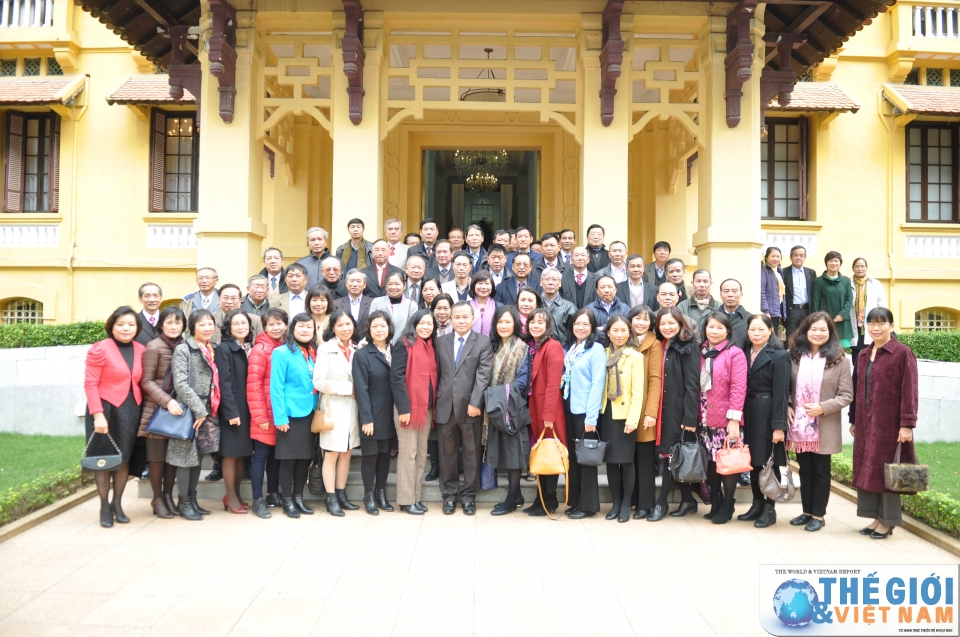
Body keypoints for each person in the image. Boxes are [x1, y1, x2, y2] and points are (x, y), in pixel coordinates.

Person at [850, 308, 917, 539]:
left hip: (889, 423)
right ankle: (876, 516)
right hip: (865, 422)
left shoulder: (902, 353)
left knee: (888, 471)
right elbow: (857, 388)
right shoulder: (862, 354)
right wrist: (853, 419)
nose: (876, 328)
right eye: (871, 324)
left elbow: (910, 390)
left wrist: (907, 424)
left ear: (892, 326)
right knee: (867, 468)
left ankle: (888, 521)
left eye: (881, 323)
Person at [787, 312, 854, 532]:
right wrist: (788, 406)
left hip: (824, 424)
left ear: (830, 333)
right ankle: (806, 512)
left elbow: (846, 395)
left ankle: (819, 515)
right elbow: (786, 387)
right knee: (804, 470)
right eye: (813, 329)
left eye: (823, 329)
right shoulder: (793, 356)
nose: (818, 333)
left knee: (821, 472)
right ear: (805, 331)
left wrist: (822, 408)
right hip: (799, 425)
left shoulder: (840, 360)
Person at [84, 307, 145, 527]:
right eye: (120, 324)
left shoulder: (141, 349)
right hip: (105, 408)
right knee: (104, 459)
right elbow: (90, 383)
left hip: (131, 409)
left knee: (123, 459)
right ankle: (103, 505)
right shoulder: (100, 348)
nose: (126, 328)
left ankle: (117, 503)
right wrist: (98, 415)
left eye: (130, 324)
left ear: (137, 328)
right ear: (112, 326)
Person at [435, 301, 494, 515]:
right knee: (447, 454)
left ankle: (468, 496)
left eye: (465, 317)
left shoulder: (483, 343)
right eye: (457, 317)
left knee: (471, 454)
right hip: (444, 407)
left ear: (473, 318)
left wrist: (476, 403)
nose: (461, 321)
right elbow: (437, 374)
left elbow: (484, 375)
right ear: (451, 318)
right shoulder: (441, 342)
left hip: (471, 408)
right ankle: (449, 495)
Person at [738, 313, 791, 528]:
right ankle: (757, 503)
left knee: (770, 461)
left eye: (761, 329)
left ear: (770, 330)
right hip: (748, 410)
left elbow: (782, 393)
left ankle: (770, 508)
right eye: (752, 329)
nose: (756, 333)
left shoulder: (780, 355)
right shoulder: (743, 352)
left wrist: (779, 426)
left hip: (768, 411)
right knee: (753, 461)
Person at [648, 306, 700, 522]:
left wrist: (690, 418)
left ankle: (661, 503)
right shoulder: (660, 344)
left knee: (671, 455)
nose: (667, 327)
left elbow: (692, 385)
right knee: (670, 452)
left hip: (678, 411)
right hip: (662, 408)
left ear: (680, 323)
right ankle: (688, 498)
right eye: (663, 323)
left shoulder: (687, 346)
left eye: (671, 323)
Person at [168, 308, 220, 521]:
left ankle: (193, 499)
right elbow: (180, 383)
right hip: (188, 409)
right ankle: (183, 502)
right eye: (202, 324)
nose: (207, 328)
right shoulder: (184, 349)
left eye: (210, 324)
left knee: (198, 457)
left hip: (207, 410)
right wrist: (199, 409)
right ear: (192, 327)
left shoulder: (211, 348)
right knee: (185, 458)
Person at [698, 312, 748, 524]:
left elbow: (738, 387)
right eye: (711, 327)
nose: (715, 331)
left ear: (728, 330)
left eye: (720, 327)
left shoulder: (734, 354)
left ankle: (728, 503)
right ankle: (716, 502)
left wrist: (734, 420)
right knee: (710, 463)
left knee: (727, 462)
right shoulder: (701, 351)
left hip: (726, 419)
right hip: (703, 416)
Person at [480, 306, 530, 515]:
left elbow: (522, 381)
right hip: (491, 408)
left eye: (508, 322)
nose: (503, 326)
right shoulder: (490, 347)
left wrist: (496, 396)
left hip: (511, 407)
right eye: (500, 322)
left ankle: (511, 498)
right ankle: (517, 495)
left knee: (513, 454)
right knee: (500, 450)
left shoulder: (522, 348)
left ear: (515, 324)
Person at [270, 313, 320, 518]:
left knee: (304, 458)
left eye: (310, 327)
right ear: (292, 329)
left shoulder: (313, 352)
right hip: (290, 414)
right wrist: (280, 417)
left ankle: (299, 497)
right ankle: (287, 500)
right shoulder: (282, 352)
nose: (306, 330)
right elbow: (276, 387)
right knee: (288, 459)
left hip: (311, 412)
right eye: (301, 326)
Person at [139, 305, 186, 519]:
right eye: (169, 322)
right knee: (157, 459)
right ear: (161, 325)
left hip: (178, 413)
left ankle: (168, 496)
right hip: (157, 411)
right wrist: (167, 401)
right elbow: (146, 381)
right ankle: (156, 497)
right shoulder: (153, 347)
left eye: (178, 322)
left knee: (172, 458)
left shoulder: (184, 346)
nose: (174, 326)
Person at [313, 310, 361, 516]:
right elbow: (318, 382)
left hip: (354, 409)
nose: (345, 328)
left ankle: (341, 494)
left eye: (348, 324)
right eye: (340, 325)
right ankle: (330, 496)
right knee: (331, 453)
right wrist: (348, 389)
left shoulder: (358, 349)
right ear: (332, 328)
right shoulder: (325, 349)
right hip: (334, 408)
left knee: (347, 452)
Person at [599, 314, 645, 523]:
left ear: (629, 333)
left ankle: (626, 503)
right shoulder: (602, 353)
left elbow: (638, 392)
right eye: (615, 330)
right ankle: (615, 502)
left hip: (625, 415)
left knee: (626, 461)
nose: (619, 334)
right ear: (608, 333)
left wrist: (633, 420)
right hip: (606, 413)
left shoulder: (635, 356)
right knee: (610, 462)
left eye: (623, 330)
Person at [561, 308, 606, 519]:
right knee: (574, 458)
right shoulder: (573, 348)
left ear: (592, 328)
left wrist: (591, 417)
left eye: (585, 324)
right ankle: (575, 500)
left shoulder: (596, 349)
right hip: (570, 408)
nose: (580, 327)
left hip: (585, 412)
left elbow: (598, 383)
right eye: (577, 323)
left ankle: (588, 505)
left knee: (586, 459)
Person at [391, 309, 437, 515]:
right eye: (422, 323)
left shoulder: (430, 346)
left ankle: (415, 497)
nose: (426, 327)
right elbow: (396, 377)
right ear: (414, 323)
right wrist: (403, 408)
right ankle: (406, 499)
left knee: (419, 455)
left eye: (430, 323)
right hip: (408, 408)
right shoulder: (404, 344)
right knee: (408, 454)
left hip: (426, 408)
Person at [353, 311, 399, 515]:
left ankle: (381, 493)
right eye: (375, 326)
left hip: (391, 415)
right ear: (368, 330)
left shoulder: (396, 351)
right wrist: (366, 418)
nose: (379, 330)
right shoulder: (362, 354)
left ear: (389, 328)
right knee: (370, 456)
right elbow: (360, 389)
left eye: (383, 326)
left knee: (384, 457)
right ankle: (369, 495)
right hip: (371, 415)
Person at [523, 308, 567, 516]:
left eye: (541, 322)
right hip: (535, 407)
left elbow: (553, 384)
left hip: (549, 409)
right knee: (540, 451)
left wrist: (549, 415)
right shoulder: (533, 346)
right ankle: (540, 498)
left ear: (548, 325)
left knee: (549, 452)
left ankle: (549, 500)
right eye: (532, 322)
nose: (536, 326)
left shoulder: (553, 346)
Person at [246, 308, 287, 519]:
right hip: (264, 414)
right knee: (261, 457)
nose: (276, 327)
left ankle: (272, 494)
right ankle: (257, 499)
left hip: (278, 413)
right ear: (264, 327)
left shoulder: (284, 346)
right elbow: (253, 385)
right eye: (271, 324)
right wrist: (260, 417)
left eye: (279, 323)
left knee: (275, 457)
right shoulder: (260, 349)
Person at [214, 308, 255, 514]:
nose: (241, 327)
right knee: (230, 454)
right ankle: (230, 496)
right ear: (229, 328)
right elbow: (224, 382)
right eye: (236, 323)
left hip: (247, 408)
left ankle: (236, 494)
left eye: (244, 323)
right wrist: (231, 412)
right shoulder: (224, 348)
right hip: (233, 408)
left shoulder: (249, 347)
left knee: (241, 454)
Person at [625, 306, 661, 519]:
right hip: (625, 409)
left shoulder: (653, 344)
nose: (641, 323)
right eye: (637, 318)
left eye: (645, 320)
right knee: (630, 458)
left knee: (645, 460)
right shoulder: (623, 340)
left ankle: (645, 503)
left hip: (644, 409)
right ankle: (632, 499)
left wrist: (651, 412)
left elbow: (655, 380)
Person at [849, 258, 888, 368]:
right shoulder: (848, 283)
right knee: (856, 352)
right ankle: (857, 377)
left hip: (871, 322)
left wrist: (881, 320)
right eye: (857, 266)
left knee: (872, 350)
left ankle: (870, 378)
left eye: (862, 266)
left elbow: (882, 303)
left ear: (866, 268)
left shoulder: (875, 283)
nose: (860, 268)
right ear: (853, 268)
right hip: (854, 323)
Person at [813, 250, 854, 348]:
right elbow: (815, 302)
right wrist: (818, 319)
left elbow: (849, 299)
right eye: (830, 261)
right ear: (826, 263)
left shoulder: (846, 280)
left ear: (840, 263)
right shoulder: (818, 281)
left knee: (841, 351)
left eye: (836, 261)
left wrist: (842, 314)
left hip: (842, 321)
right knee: (825, 350)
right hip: (825, 321)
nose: (833, 263)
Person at [370, 271, 417, 343]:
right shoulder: (377, 302)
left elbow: (412, 329)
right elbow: (372, 325)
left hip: (403, 346)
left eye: (397, 284)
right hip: (381, 345)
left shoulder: (411, 305)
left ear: (404, 286)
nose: (393, 287)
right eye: (390, 284)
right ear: (385, 286)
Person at [784, 245, 816, 339]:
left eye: (801, 255)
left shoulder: (811, 272)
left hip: (807, 310)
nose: (798, 257)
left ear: (805, 257)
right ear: (791, 257)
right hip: (792, 310)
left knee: (807, 336)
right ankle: (791, 354)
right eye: (796, 255)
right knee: (791, 337)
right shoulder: (783, 272)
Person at [539, 267, 576, 345]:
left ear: (559, 283)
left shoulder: (569, 307)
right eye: (547, 279)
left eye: (554, 279)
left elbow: (573, 334)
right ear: (541, 282)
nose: (550, 283)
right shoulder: (534, 304)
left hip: (562, 349)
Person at [760, 247, 787, 339]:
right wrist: (765, 311)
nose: (776, 259)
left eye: (778, 256)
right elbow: (761, 291)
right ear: (766, 257)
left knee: (775, 337)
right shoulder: (764, 270)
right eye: (773, 256)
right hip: (769, 311)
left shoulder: (779, 271)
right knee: (770, 336)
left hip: (777, 310)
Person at [719, 278, 752, 346]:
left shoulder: (750, 319)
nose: (730, 295)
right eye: (726, 291)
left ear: (741, 294)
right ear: (721, 295)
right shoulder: (711, 318)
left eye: (734, 291)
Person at [469, 271, 498, 337]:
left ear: (492, 286)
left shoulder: (498, 306)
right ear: (473, 286)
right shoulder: (466, 306)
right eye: (480, 283)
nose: (484, 287)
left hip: (492, 344)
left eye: (487, 283)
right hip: (470, 344)